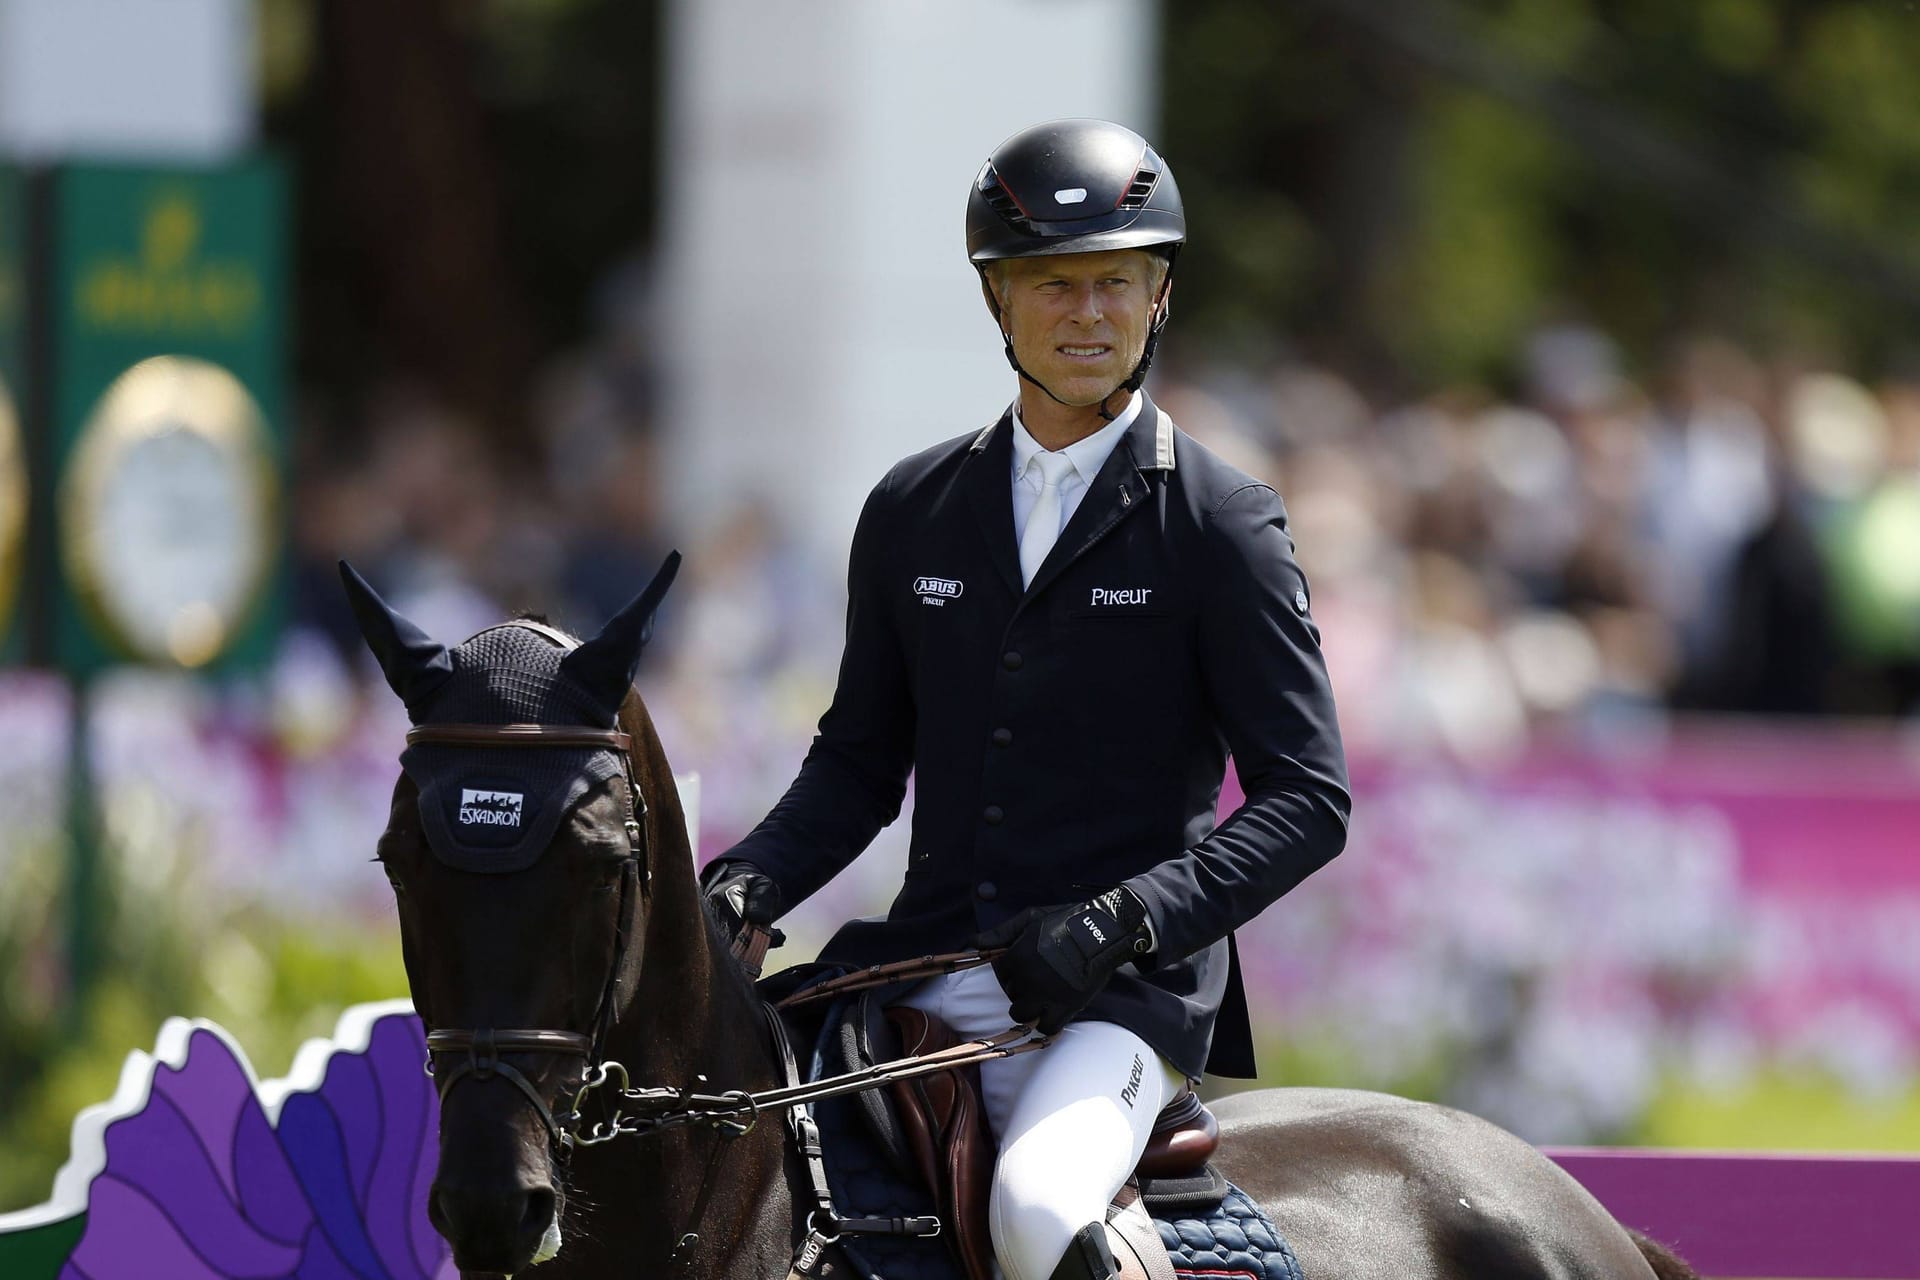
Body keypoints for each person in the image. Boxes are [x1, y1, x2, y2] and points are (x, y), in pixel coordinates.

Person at [702, 119, 1350, 1280]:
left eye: (1118, 281)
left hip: (1118, 998)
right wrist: (751, 875)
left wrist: (1125, 917)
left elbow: (1309, 797)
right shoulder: (911, 510)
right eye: (1057, 283)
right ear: (1001, 299)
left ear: (1159, 296)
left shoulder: (1221, 523)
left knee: (1041, 1209)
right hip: (920, 968)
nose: (1089, 313)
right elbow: (859, 761)